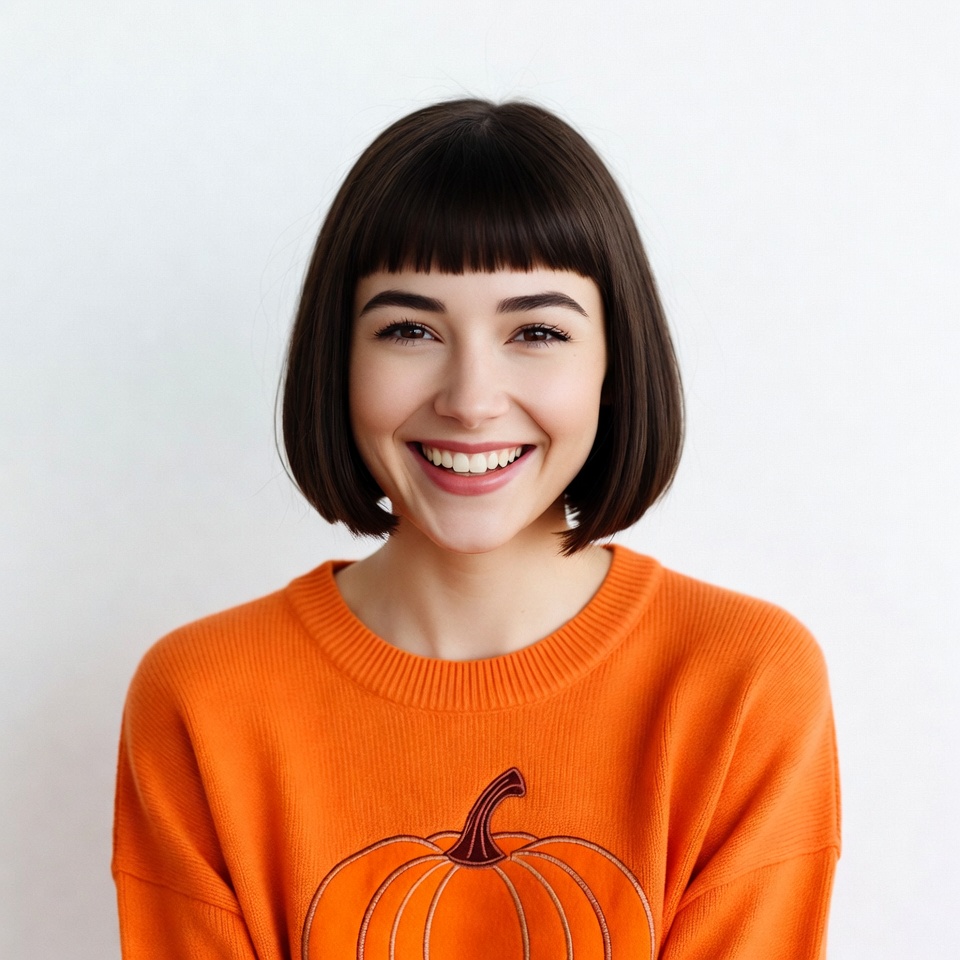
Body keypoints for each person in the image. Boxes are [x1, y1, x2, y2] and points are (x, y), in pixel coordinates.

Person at [112, 99, 840, 959]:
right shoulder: (203, 697)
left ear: (615, 362)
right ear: (337, 360)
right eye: (410, 329)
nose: (470, 399)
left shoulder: (742, 684)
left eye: (536, 330)